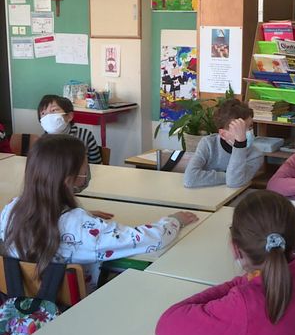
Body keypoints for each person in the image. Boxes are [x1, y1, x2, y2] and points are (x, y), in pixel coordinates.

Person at [0, 135, 198, 292]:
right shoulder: (80, 226)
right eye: (86, 164)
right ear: (70, 180)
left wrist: (78, 217)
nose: (88, 169)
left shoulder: (11, 210)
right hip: (78, 308)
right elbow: (150, 239)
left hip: (22, 304)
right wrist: (175, 220)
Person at [156, 190, 295, 335]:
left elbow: (166, 325)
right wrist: (241, 285)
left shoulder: (244, 306)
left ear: (235, 248)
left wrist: (236, 289)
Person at [183, 99, 263, 188]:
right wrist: (227, 175)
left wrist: (240, 144)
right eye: (240, 129)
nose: (249, 132)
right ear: (223, 134)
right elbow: (190, 179)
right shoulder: (208, 143)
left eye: (250, 126)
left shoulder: (255, 155)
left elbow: (234, 182)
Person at [37, 95, 102, 164]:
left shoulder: (85, 135)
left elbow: (97, 166)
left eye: (54, 110)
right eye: (43, 113)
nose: (48, 116)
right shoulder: (41, 142)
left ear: (69, 116)